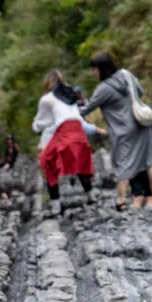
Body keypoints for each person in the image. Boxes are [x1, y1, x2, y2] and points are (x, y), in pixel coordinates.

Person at [80, 53, 152, 211]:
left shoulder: (103, 88)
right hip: (141, 123)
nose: (93, 73)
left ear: (101, 69)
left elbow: (87, 108)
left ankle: (121, 200)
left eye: (94, 69)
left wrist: (69, 111)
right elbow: (138, 91)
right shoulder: (126, 74)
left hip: (123, 130)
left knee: (123, 163)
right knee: (150, 160)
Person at [32, 70, 96, 216]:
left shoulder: (47, 99)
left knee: (46, 162)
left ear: (48, 83)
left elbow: (42, 123)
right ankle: (91, 195)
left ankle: (56, 205)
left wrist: (35, 124)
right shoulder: (71, 96)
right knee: (80, 162)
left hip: (65, 132)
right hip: (79, 132)